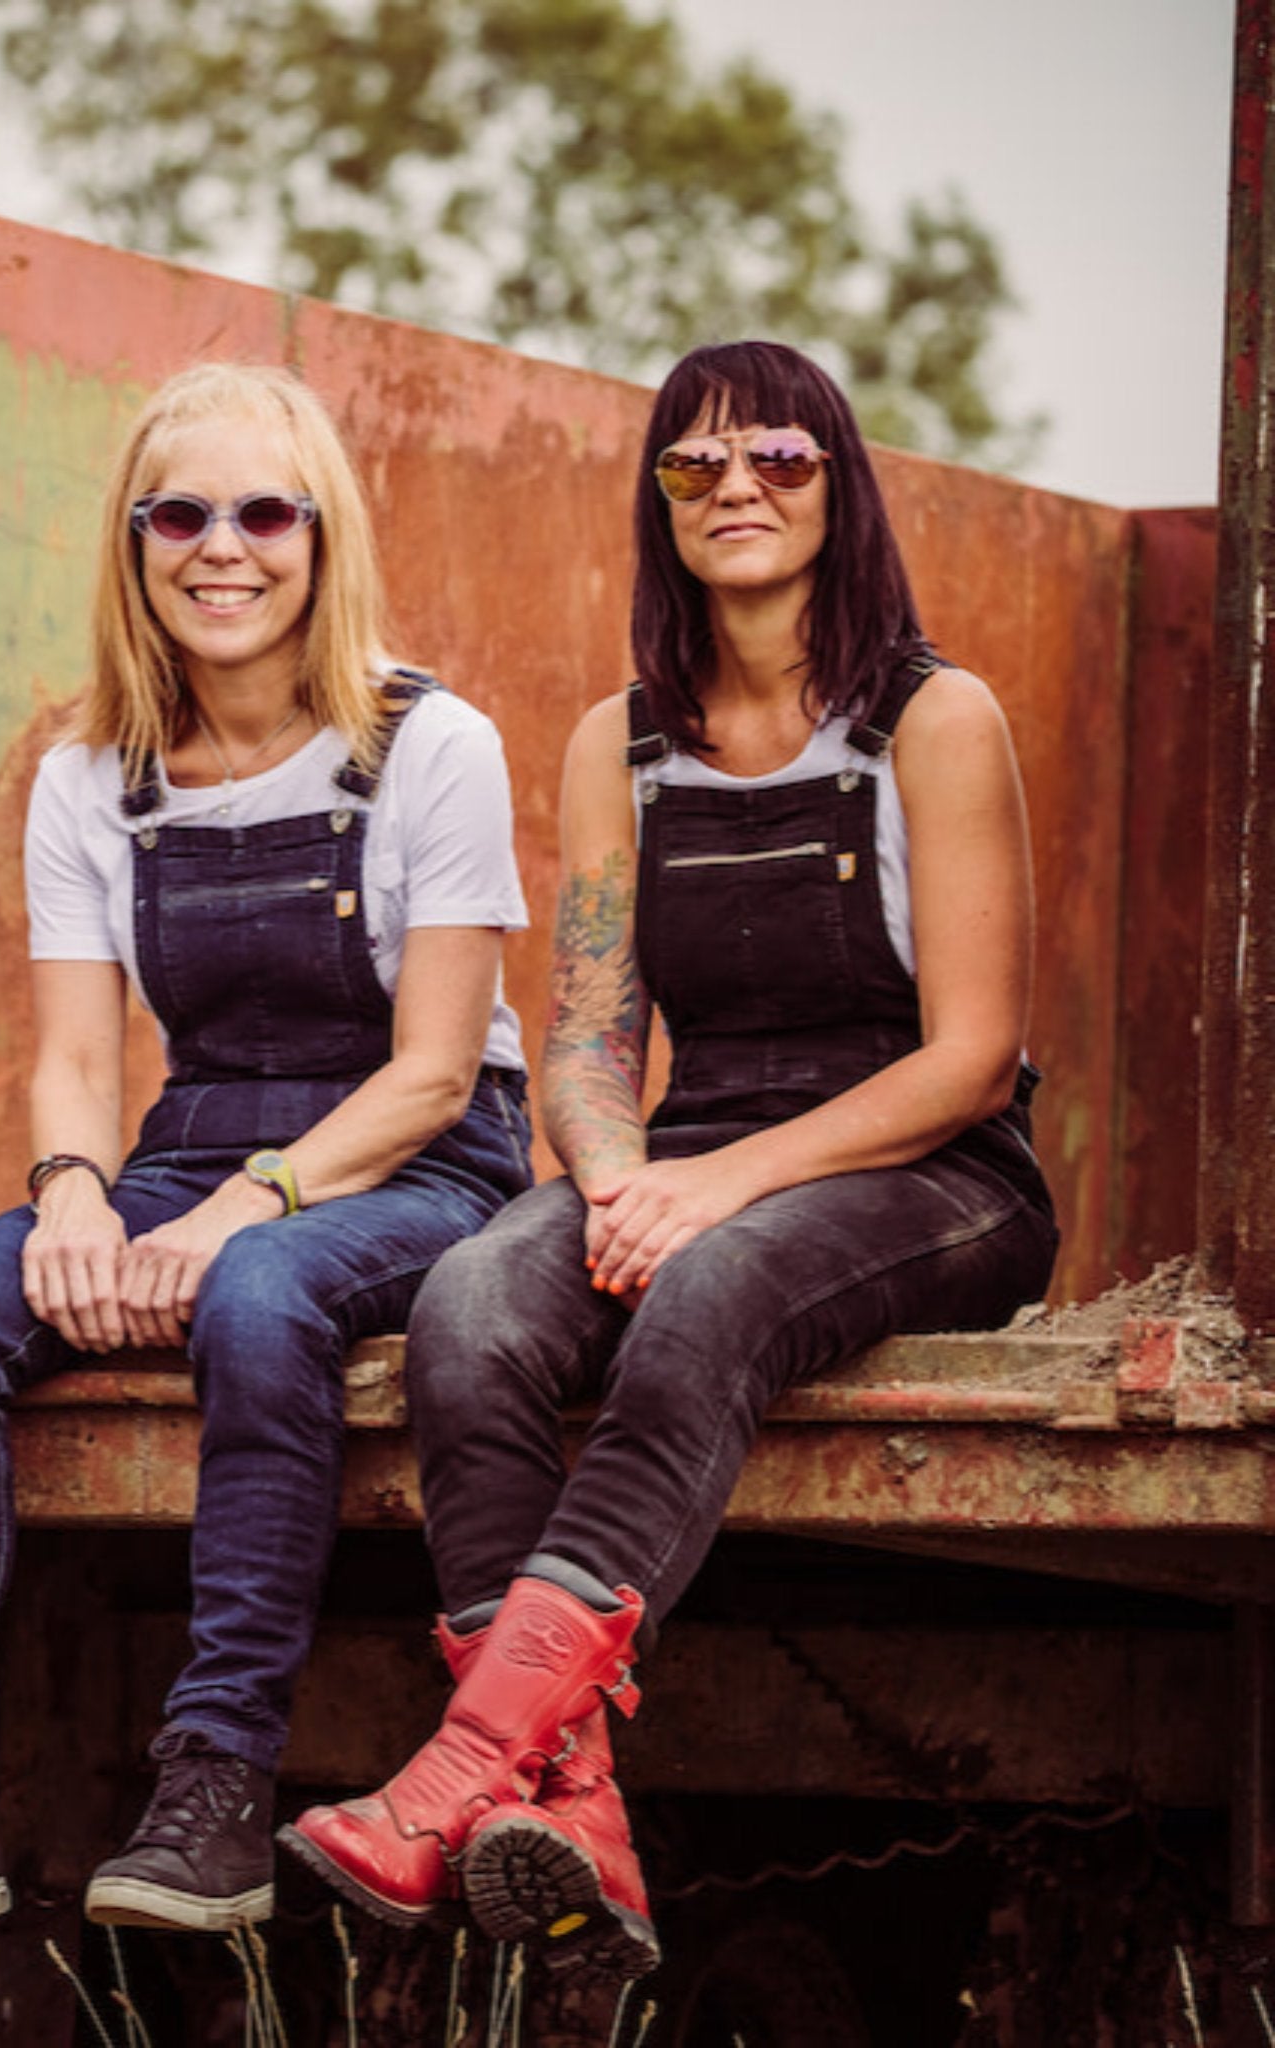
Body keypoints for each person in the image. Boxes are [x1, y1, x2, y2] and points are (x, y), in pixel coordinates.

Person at [282, 339, 1060, 1977]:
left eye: (778, 458)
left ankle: (460, 1772)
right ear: (660, 505)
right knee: (473, 1301)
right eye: (696, 466)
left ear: (839, 490)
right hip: (683, 1163)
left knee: (707, 1295)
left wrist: (715, 1188)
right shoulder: (622, 743)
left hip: (934, 1174)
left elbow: (974, 1052)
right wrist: (615, 1166)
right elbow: (583, 1033)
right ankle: (572, 1803)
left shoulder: (933, 717)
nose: (737, 490)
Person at [0, 360, 534, 1954]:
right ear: (133, 544)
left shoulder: (427, 744)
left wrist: (245, 1211)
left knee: (260, 1300)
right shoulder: (89, 774)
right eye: (178, 513)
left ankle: (212, 1782)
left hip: (419, 1157)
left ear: (323, 539)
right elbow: (69, 1056)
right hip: (192, 1143)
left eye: (266, 510)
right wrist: (68, 1194)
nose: (223, 547)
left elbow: (434, 1071)